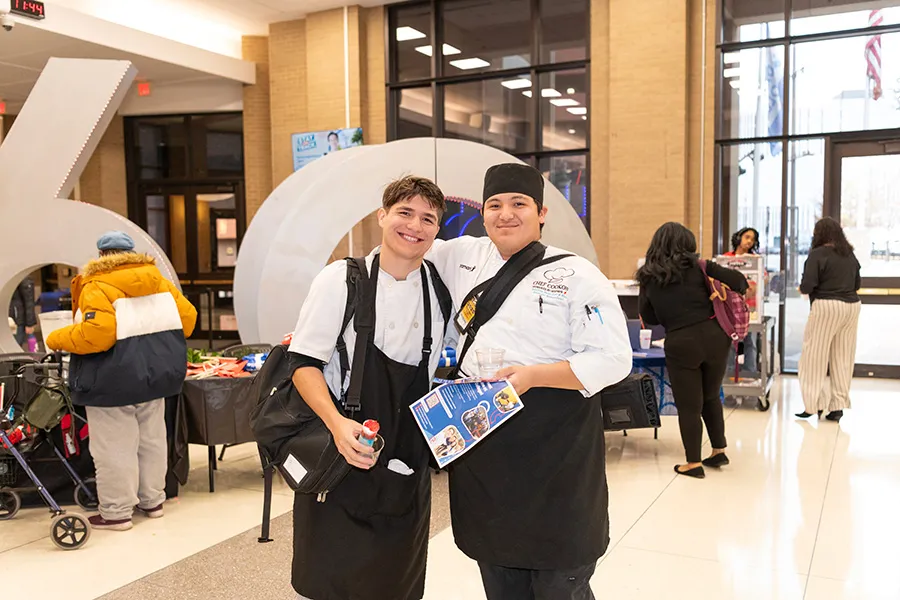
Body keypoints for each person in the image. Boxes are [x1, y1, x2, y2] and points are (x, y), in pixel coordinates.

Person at [427, 163, 632, 600]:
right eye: (495, 205)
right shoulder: (461, 256)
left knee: (561, 577)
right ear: (482, 213)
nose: (506, 214)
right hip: (485, 441)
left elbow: (614, 359)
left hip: (556, 445)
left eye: (519, 204)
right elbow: (404, 253)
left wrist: (534, 376)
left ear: (541, 213)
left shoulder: (577, 275)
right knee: (499, 573)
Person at [288, 176, 453, 600]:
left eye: (428, 219)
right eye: (405, 212)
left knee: (398, 581)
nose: (415, 226)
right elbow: (303, 365)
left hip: (407, 463)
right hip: (341, 450)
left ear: (437, 230)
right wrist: (338, 423)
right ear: (382, 216)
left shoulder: (439, 290)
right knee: (335, 582)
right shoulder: (342, 280)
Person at [46, 231, 197, 531]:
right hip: (154, 377)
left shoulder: (97, 285)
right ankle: (153, 501)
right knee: (151, 441)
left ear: (103, 256)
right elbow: (188, 320)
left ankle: (116, 512)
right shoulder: (160, 282)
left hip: (111, 380)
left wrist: (56, 338)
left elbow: (96, 335)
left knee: (114, 447)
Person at [637, 222, 748, 479]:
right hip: (715, 337)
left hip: (681, 341)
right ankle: (718, 449)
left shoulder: (648, 276)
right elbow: (740, 282)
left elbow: (649, 317)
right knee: (710, 395)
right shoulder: (701, 267)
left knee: (689, 405)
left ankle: (693, 463)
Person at [796, 217, 861, 423]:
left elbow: (807, 286)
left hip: (826, 306)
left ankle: (814, 405)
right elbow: (857, 283)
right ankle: (837, 406)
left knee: (814, 356)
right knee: (842, 357)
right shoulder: (849, 254)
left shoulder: (817, 254)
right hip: (852, 307)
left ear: (819, 234)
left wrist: (802, 287)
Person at [9, 275, 36, 349]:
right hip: (10, 317)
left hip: (16, 320)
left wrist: (30, 323)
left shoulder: (20, 277)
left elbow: (29, 300)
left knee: (14, 348)